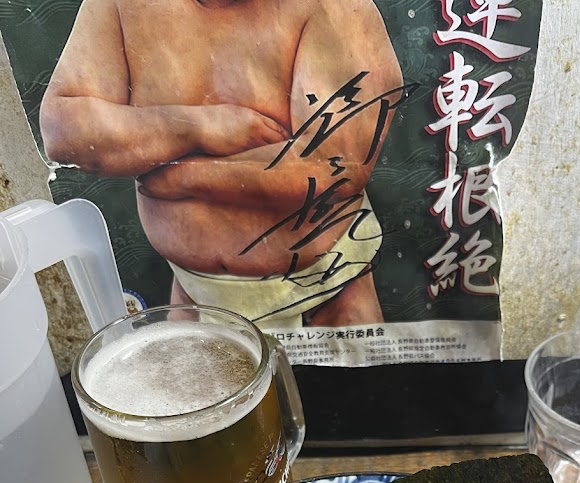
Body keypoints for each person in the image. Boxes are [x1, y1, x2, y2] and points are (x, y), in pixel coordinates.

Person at [40, 0, 404, 328]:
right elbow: (63, 130)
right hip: (195, 299)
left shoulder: (337, 7)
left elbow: (335, 166)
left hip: (326, 302)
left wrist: (188, 177)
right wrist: (198, 127)